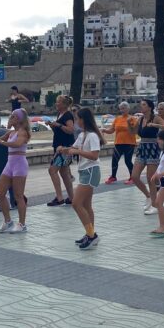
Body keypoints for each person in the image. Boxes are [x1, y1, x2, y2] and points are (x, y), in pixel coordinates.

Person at [59, 107, 104, 250]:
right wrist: (64, 149)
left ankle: (92, 236)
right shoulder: (82, 135)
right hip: (84, 171)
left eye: (78, 118)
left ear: (84, 119)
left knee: (76, 203)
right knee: (86, 205)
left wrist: (77, 151)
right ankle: (89, 233)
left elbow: (94, 156)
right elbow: (73, 148)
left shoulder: (92, 136)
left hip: (91, 171)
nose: (76, 121)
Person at [0, 108, 31, 234]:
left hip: (20, 165)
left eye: (12, 116)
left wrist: (1, 141)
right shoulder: (10, 133)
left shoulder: (23, 132)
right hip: (10, 164)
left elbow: (17, 144)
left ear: (18, 119)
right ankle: (8, 221)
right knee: (0, 193)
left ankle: (22, 224)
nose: (10, 118)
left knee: (18, 195)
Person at [129, 99, 160, 215]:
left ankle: (155, 205)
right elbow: (133, 132)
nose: (141, 106)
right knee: (134, 176)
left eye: (143, 105)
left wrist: (155, 125)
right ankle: (148, 196)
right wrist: (129, 124)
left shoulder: (155, 117)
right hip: (142, 148)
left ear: (150, 107)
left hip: (153, 148)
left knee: (150, 178)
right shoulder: (140, 119)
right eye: (141, 104)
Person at [46, 95, 75, 206]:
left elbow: (70, 130)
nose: (56, 104)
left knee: (52, 170)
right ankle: (72, 197)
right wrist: (53, 126)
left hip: (64, 148)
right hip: (59, 146)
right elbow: (60, 131)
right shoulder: (60, 114)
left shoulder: (68, 115)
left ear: (64, 104)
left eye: (58, 102)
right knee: (64, 172)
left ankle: (59, 198)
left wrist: (57, 124)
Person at [102, 101, 137, 184]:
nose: (122, 110)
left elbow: (134, 131)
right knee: (114, 160)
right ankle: (113, 177)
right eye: (121, 108)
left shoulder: (132, 119)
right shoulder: (117, 118)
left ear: (128, 109)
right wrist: (104, 130)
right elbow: (111, 130)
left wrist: (129, 124)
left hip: (129, 143)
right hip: (118, 143)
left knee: (127, 161)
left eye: (124, 108)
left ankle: (133, 177)